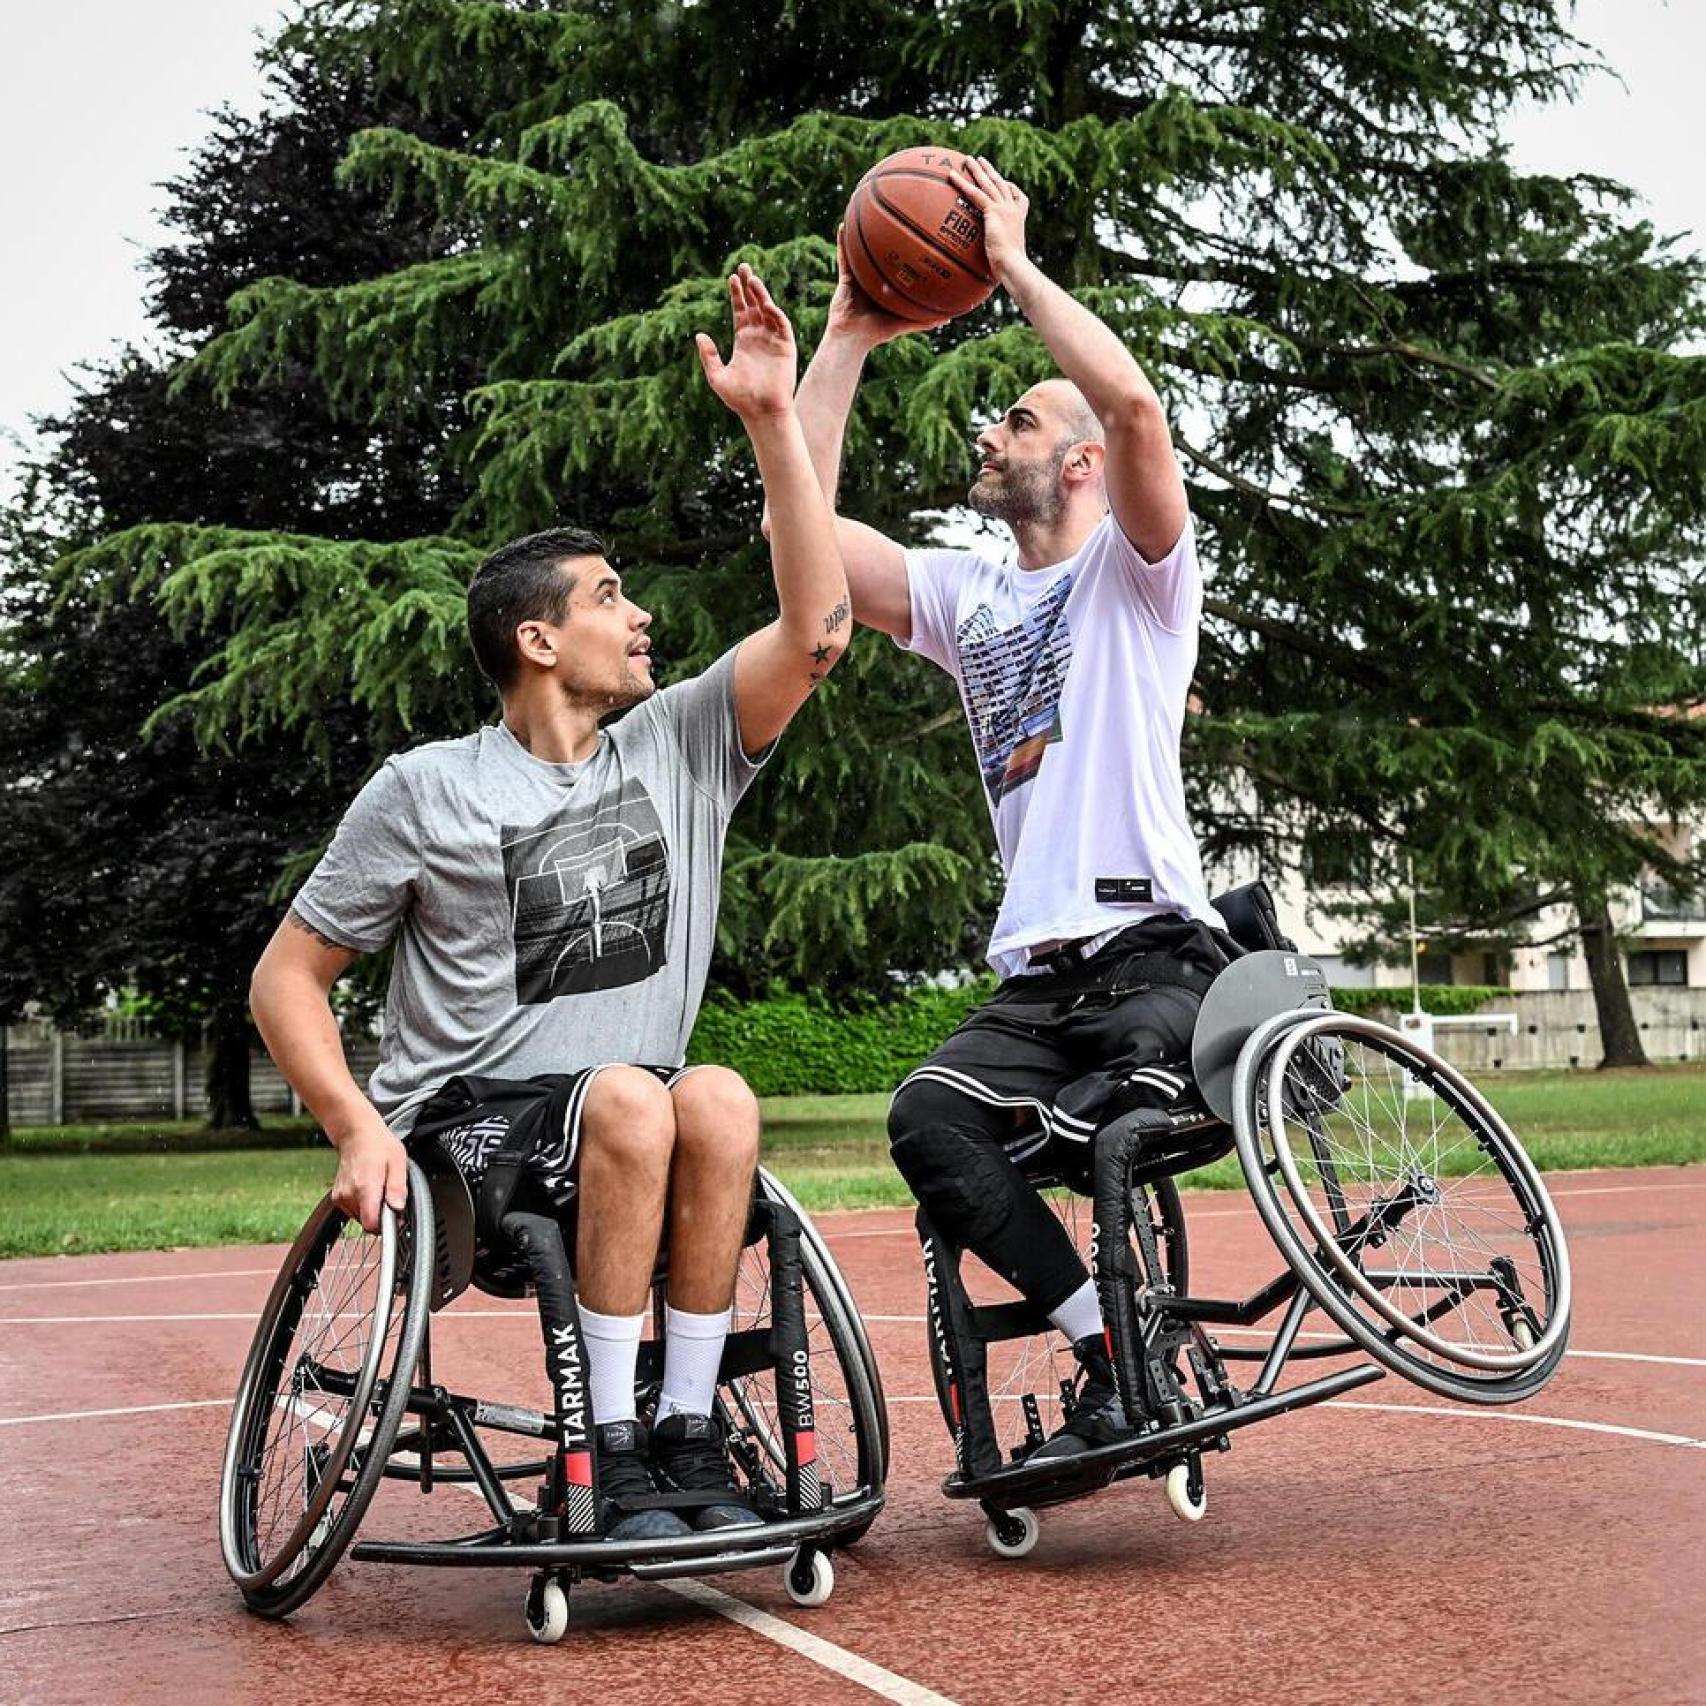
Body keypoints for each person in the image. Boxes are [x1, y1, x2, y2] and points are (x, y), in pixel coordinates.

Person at [250, 266, 850, 1536]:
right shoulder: (426, 788)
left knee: (717, 1093)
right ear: (536, 640)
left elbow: (818, 630)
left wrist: (770, 424)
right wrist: (355, 1126)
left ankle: (683, 1434)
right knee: (637, 1097)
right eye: (609, 599)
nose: (643, 620)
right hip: (465, 1140)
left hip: (626, 1123)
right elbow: (285, 976)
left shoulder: (680, 745)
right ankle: (614, 1449)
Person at [789, 157, 1230, 1459]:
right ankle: (1113, 1340)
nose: (989, 431)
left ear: (1081, 462)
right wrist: (847, 330)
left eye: (1020, 420)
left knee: (1102, 1126)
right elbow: (804, 522)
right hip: (1038, 980)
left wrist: (1012, 264)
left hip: (1158, 955)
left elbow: (1138, 410)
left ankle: (1128, 1361)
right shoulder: (963, 595)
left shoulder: (1137, 577)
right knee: (929, 1119)